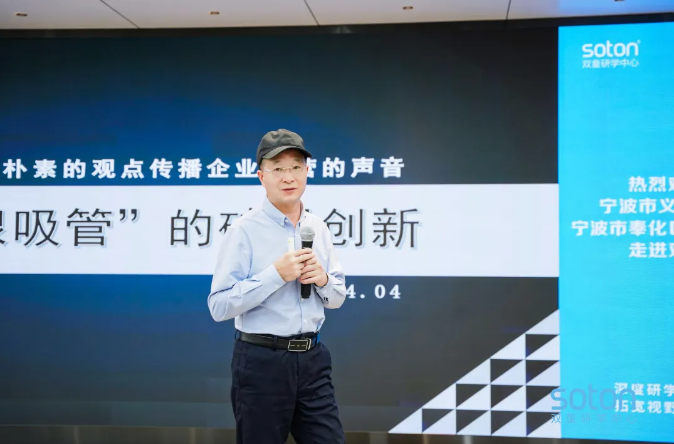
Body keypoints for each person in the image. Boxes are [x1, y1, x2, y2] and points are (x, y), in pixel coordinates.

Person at [208, 129, 347, 444]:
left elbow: (337, 298)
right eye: (278, 168)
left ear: (307, 172)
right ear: (261, 176)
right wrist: (275, 275)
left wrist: (323, 279)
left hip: (313, 360)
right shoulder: (244, 230)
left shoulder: (318, 227)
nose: (289, 177)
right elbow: (219, 306)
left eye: (296, 167)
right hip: (262, 362)